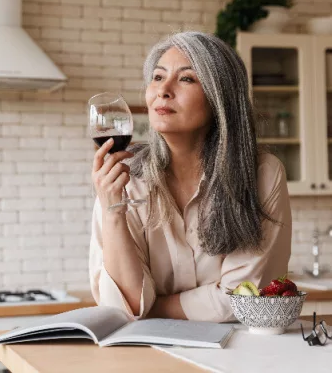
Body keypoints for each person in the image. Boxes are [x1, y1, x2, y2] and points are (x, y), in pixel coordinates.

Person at [89, 31, 291, 322]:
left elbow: (242, 298)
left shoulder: (262, 174)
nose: (163, 90)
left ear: (219, 97)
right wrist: (113, 211)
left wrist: (152, 308)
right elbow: (124, 305)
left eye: (186, 79)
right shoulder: (126, 179)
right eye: (157, 77)